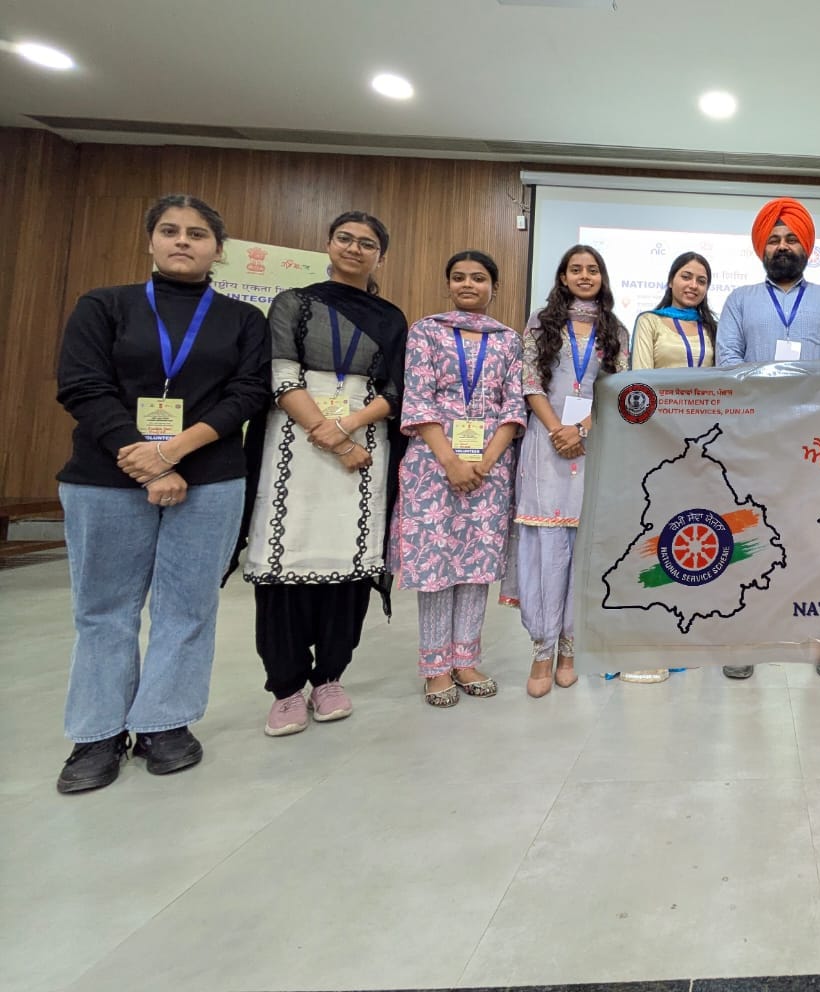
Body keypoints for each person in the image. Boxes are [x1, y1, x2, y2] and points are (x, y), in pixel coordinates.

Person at [53, 196, 270, 792]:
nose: (183, 241)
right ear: (150, 240)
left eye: (197, 234)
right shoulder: (104, 305)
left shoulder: (242, 318)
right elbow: (81, 385)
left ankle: (164, 723)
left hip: (210, 476)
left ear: (218, 249)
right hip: (106, 475)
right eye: (170, 231)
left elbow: (248, 393)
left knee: (188, 606)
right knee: (104, 610)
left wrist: (172, 452)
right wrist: (144, 460)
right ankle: (96, 734)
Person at [243, 212, 409, 737]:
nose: (355, 249)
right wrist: (330, 434)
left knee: (351, 565)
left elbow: (396, 390)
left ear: (381, 256)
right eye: (345, 239)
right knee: (286, 562)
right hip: (295, 442)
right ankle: (286, 688)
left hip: (366, 444)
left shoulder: (391, 317)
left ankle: (331, 677)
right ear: (329, 244)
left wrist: (350, 428)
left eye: (367, 243)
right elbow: (281, 375)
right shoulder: (293, 302)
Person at [717, 197, 820, 679]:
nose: (782, 246)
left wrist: (805, 399)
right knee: (749, 537)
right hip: (755, 439)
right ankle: (746, 638)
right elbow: (728, 362)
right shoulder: (739, 301)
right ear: (762, 248)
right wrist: (774, 395)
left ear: (806, 247)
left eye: (791, 238)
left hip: (817, 442)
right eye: (774, 239)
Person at [391, 251, 525, 707]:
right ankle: (435, 667)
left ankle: (466, 660)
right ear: (448, 284)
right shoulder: (426, 331)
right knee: (436, 563)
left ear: (494, 287)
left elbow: (513, 406)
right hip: (433, 464)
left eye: (479, 278)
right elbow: (418, 399)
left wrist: (486, 461)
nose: (469, 284)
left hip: (491, 466)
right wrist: (450, 461)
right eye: (459, 277)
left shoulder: (508, 340)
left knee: (476, 563)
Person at [517, 244, 630, 698]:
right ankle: (541, 651)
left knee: (583, 550)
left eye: (592, 269)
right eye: (576, 269)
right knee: (547, 549)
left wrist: (581, 429)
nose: (585, 276)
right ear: (563, 277)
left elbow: (618, 390)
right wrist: (556, 429)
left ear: (602, 277)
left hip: (594, 443)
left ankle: (569, 649)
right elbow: (529, 382)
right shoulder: (540, 323)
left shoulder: (615, 330)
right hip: (545, 444)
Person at [618, 251, 719, 683]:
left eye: (701, 279)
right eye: (686, 276)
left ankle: (682, 636)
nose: (693, 285)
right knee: (651, 536)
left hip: (702, 446)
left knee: (691, 534)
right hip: (657, 440)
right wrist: (666, 431)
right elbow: (640, 379)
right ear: (671, 280)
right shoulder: (650, 322)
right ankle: (644, 643)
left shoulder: (713, 328)